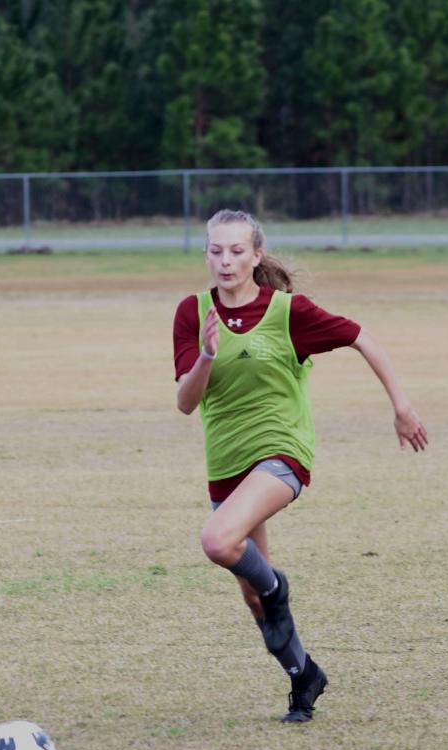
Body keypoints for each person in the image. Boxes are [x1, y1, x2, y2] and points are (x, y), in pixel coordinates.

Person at [173, 208, 427, 722]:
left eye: (237, 250)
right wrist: (204, 355)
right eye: (216, 250)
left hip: (281, 451)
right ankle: (303, 676)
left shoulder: (287, 311)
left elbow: (362, 336)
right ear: (206, 254)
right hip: (226, 463)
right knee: (253, 600)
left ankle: (275, 585)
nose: (225, 260)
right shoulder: (192, 312)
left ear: (256, 255)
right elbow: (185, 402)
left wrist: (401, 406)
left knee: (219, 542)